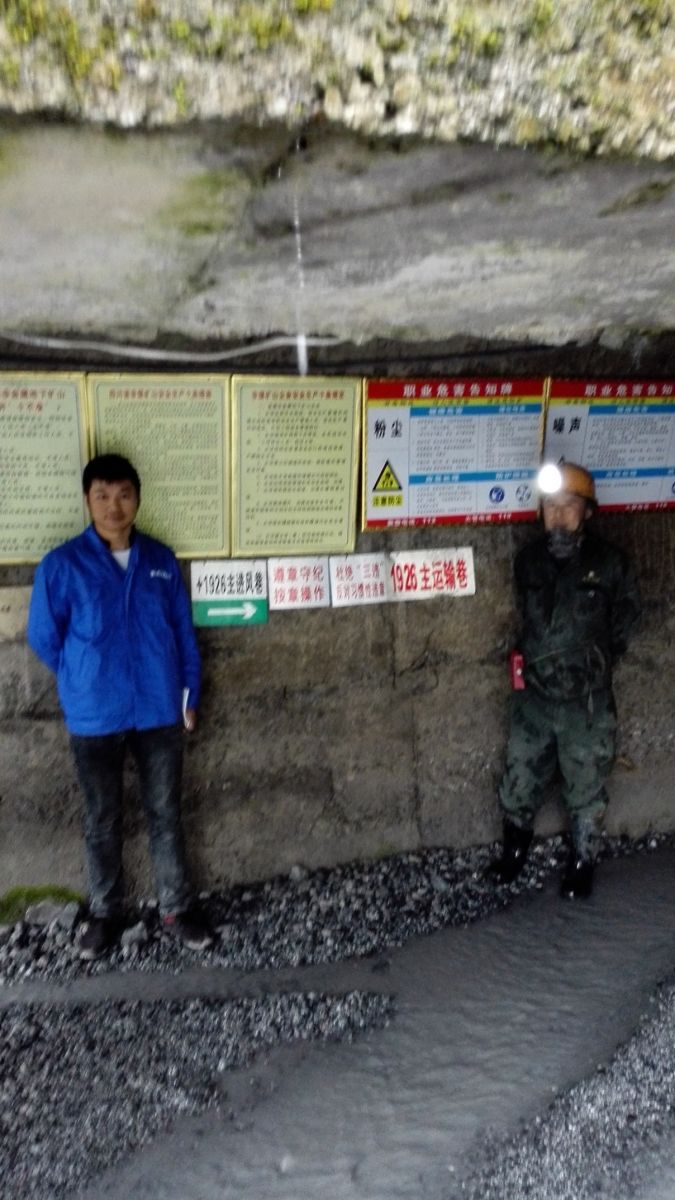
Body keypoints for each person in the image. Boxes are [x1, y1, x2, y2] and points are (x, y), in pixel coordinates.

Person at [28, 453, 214, 959]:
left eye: (124, 495)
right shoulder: (62, 565)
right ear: (88, 501)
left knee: (165, 813)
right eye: (103, 496)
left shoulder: (159, 560)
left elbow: (182, 632)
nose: (114, 507)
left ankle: (175, 908)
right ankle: (105, 912)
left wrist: (190, 694)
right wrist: (81, 678)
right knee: (101, 818)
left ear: (138, 499)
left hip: (159, 708)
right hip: (94, 715)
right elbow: (44, 637)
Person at [491, 461, 641, 898]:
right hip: (535, 696)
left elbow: (627, 616)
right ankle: (513, 853)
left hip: (586, 701)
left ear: (587, 511)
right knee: (520, 774)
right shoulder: (528, 561)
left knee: (586, 780)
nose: (558, 515)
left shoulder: (610, 563)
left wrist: (595, 660)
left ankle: (583, 860)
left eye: (569, 505)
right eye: (550, 506)